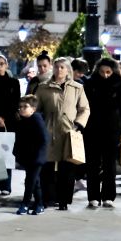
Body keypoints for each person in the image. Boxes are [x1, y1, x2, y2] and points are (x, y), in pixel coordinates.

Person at [36, 58, 90, 211]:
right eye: (56, 67)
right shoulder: (43, 88)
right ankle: (47, 198)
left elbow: (84, 108)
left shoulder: (77, 87)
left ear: (67, 70)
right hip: (48, 130)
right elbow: (36, 107)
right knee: (47, 166)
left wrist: (79, 124)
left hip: (68, 131)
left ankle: (64, 200)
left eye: (62, 67)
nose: (59, 70)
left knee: (67, 168)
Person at [83, 58, 121, 208]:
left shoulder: (119, 84)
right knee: (92, 164)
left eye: (108, 72)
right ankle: (93, 196)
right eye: (102, 72)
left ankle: (108, 196)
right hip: (92, 128)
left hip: (112, 128)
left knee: (110, 164)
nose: (105, 75)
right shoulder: (90, 84)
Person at [0, 54, 20, 196]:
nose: (0, 66)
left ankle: (6, 185)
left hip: (9, 122)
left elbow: (15, 102)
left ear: (7, 65)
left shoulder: (14, 82)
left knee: (6, 153)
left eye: (2, 63)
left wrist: (5, 118)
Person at [13, 95, 48, 215]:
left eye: (25, 107)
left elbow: (44, 139)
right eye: (20, 107)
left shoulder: (36, 119)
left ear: (33, 108)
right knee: (35, 181)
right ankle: (40, 204)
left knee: (29, 181)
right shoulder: (22, 121)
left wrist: (39, 156)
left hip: (37, 157)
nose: (21, 109)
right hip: (27, 157)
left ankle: (25, 204)